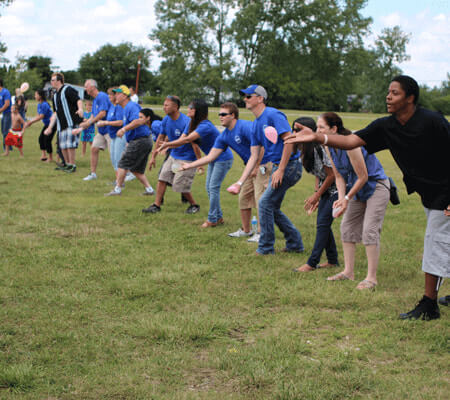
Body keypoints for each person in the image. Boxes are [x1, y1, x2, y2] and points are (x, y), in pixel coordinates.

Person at [286, 75, 449, 320]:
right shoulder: (387, 126)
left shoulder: (432, 122)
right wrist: (319, 137)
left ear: (410, 98)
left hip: (445, 193)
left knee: (434, 242)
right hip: (430, 193)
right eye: (388, 92)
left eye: (394, 93)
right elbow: (351, 140)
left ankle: (429, 305)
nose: (388, 96)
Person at [317, 113, 390, 290]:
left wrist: (347, 198)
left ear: (333, 129)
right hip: (355, 188)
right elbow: (339, 176)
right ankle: (348, 272)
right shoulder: (329, 146)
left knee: (369, 229)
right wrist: (341, 198)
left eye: (321, 128)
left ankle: (371, 279)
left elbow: (363, 176)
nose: (317, 131)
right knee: (347, 227)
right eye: (316, 128)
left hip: (376, 186)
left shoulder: (350, 144)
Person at [230, 84, 304, 255]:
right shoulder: (255, 125)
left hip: (290, 166)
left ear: (260, 98)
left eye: (249, 96)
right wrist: (240, 182)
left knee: (264, 203)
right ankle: (294, 243)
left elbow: (289, 140)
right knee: (271, 207)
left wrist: (281, 169)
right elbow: (254, 156)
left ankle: (265, 247)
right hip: (279, 166)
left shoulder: (273, 114)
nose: (245, 99)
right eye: (245, 96)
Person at [179, 102, 270, 236]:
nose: (220, 117)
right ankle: (246, 231)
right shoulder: (225, 135)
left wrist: (257, 167)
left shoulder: (245, 126)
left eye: (223, 114)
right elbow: (211, 156)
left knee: (260, 200)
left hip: (265, 164)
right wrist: (190, 165)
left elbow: (262, 146)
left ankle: (262, 234)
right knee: (243, 198)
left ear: (233, 115)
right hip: (250, 167)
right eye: (219, 114)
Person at [159, 99, 234, 227]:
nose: (188, 110)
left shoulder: (205, 125)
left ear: (197, 110)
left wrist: (167, 144)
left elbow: (187, 139)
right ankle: (218, 217)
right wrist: (169, 144)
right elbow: (183, 138)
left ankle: (212, 219)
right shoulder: (192, 123)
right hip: (212, 158)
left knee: (213, 188)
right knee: (209, 188)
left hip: (222, 158)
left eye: (191, 108)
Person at [291, 117, 339, 273]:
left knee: (323, 223)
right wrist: (316, 193)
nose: (294, 133)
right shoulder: (303, 149)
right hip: (327, 188)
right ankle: (332, 260)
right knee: (323, 223)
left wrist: (317, 196)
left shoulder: (318, 148)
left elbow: (331, 175)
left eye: (297, 130)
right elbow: (319, 173)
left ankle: (312, 263)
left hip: (339, 188)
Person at [143, 95, 200, 214]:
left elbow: (194, 144)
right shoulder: (166, 120)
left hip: (187, 158)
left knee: (179, 185)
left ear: (175, 107)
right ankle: (156, 206)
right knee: (162, 177)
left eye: (166, 105)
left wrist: (199, 163)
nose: (164, 107)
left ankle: (194, 205)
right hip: (173, 155)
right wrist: (153, 156)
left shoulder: (186, 122)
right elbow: (160, 137)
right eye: (164, 105)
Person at [104, 85, 154, 197]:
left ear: (125, 95)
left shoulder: (131, 106)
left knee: (122, 164)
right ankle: (149, 190)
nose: (115, 95)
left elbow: (139, 121)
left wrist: (124, 129)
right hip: (143, 140)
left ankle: (117, 190)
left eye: (117, 93)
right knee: (136, 170)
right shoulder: (126, 108)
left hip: (140, 140)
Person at [45, 72, 83, 173]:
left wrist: (80, 109)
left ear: (59, 81)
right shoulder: (55, 95)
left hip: (71, 122)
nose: (51, 82)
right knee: (62, 145)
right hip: (61, 124)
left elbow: (78, 100)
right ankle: (67, 164)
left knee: (70, 144)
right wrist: (49, 127)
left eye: (53, 80)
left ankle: (72, 165)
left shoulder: (68, 89)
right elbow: (55, 112)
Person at [79, 79, 112, 181]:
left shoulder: (102, 96)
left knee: (115, 154)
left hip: (110, 130)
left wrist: (89, 123)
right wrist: (83, 125)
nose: (85, 89)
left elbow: (103, 113)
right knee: (94, 149)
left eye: (86, 86)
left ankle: (127, 173)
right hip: (102, 131)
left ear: (93, 87)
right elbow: (93, 115)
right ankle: (93, 174)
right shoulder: (95, 99)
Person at [97, 87, 125, 184]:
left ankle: (120, 182)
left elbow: (121, 122)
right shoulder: (112, 106)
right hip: (112, 135)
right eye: (108, 94)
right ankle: (118, 180)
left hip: (119, 135)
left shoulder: (119, 107)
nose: (109, 97)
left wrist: (106, 123)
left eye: (111, 95)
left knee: (118, 159)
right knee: (113, 159)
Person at [25, 89, 55, 162]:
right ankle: (44, 155)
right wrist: (30, 121)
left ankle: (50, 158)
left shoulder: (44, 104)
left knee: (47, 140)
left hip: (52, 124)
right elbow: (38, 115)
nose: (34, 96)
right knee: (41, 139)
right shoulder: (39, 104)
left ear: (40, 96)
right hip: (47, 124)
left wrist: (31, 122)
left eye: (36, 95)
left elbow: (41, 116)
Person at [0, 78, 12, 152]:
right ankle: (8, 146)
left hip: (8, 113)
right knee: (3, 131)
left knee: (6, 131)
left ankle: (7, 148)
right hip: (4, 114)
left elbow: (7, 104)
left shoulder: (5, 92)